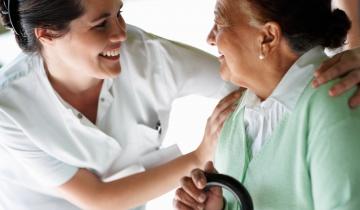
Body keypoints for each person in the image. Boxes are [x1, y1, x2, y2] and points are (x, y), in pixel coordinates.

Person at [0, 0, 358, 210]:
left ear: (267, 36)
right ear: (46, 33)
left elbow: (248, 74)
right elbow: (99, 199)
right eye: (100, 23)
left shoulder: (324, 104)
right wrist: (202, 163)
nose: (122, 32)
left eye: (119, 12)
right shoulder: (10, 106)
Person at [173, 0, 360, 210]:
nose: (210, 38)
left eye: (220, 22)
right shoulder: (234, 114)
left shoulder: (334, 101)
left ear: (268, 37)